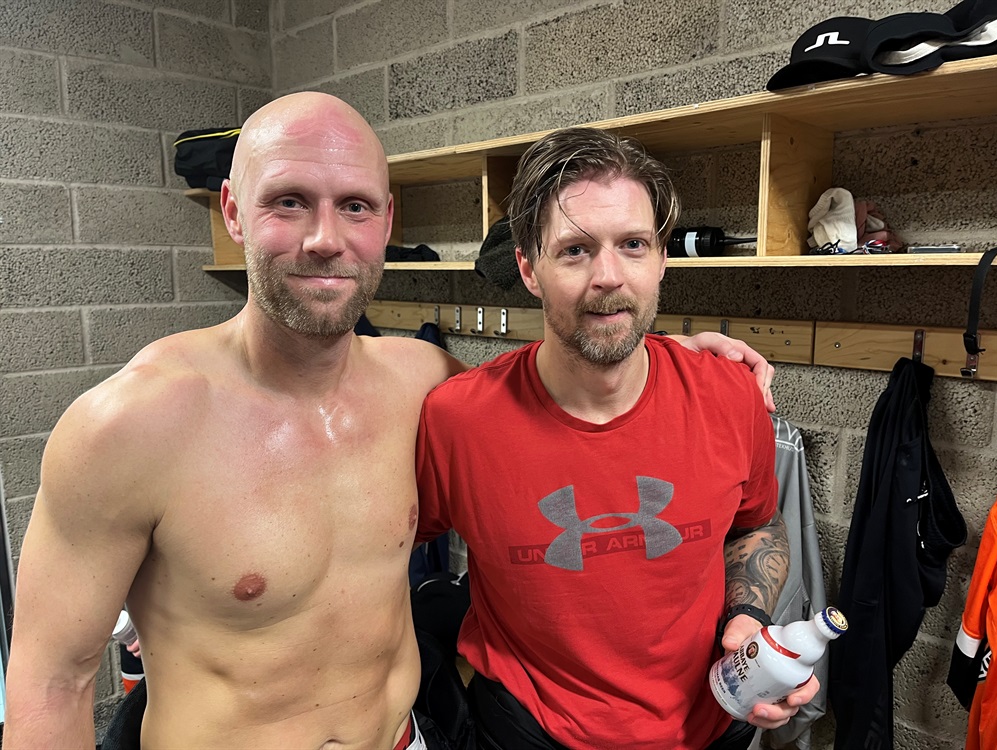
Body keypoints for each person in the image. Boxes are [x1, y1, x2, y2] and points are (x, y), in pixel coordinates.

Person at [4, 95, 774, 750]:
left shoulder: (424, 385)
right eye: (288, 201)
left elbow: (572, 386)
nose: (325, 238)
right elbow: (51, 685)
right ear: (232, 211)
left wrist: (679, 357)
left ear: (385, 220)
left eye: (355, 206)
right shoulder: (128, 426)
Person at [414, 127, 819, 750]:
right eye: (575, 250)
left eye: (633, 244)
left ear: (661, 260)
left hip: (710, 724)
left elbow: (757, 525)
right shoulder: (458, 421)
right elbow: (376, 561)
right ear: (528, 268)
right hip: (530, 733)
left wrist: (748, 623)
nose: (609, 276)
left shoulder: (731, 396)